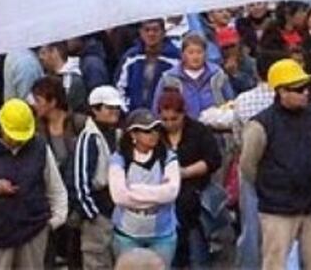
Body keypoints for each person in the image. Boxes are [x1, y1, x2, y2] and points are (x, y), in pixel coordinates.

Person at [0, 98, 69, 268]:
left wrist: (56, 219)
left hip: (34, 230)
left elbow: (55, 186)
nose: (18, 141)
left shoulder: (40, 147)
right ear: (1, 127)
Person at [240, 58, 311, 270]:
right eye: (298, 89)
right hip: (277, 206)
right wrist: (270, 186)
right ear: (281, 92)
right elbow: (248, 166)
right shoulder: (260, 124)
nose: (305, 93)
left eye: (306, 87)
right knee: (275, 262)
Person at [158, 88, 223, 268]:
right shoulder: (155, 133)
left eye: (174, 119)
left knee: (197, 255)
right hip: (165, 204)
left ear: (183, 114)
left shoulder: (199, 131)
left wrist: (185, 172)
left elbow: (213, 160)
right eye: (165, 120)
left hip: (195, 201)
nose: (169, 124)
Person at [109, 108, 181, 265]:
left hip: (162, 234)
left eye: (155, 129)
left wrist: (134, 191)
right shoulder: (119, 159)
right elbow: (118, 196)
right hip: (127, 234)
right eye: (147, 131)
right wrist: (157, 195)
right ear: (133, 134)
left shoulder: (168, 157)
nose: (153, 134)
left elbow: (171, 192)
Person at [232, 49, 282, 269]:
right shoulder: (286, 100)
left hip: (249, 167)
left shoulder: (243, 100)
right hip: (282, 169)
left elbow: (236, 137)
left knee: (251, 227)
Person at [31, 76, 84, 267]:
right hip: (50, 200)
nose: (34, 105)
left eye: (38, 100)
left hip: (76, 198)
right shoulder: (37, 128)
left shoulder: (79, 123)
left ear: (52, 102)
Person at [73, 86, 123, 270]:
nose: (115, 112)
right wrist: (93, 214)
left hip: (117, 208)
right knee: (96, 262)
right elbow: (81, 182)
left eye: (117, 108)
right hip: (98, 210)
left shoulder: (117, 134)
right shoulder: (88, 138)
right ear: (95, 110)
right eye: (109, 108)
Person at [153, 33, 234, 119]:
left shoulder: (218, 74)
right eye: (191, 53)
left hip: (215, 127)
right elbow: (157, 109)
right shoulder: (168, 78)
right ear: (183, 55)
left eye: (199, 52)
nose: (195, 57)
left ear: (205, 54)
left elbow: (230, 103)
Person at [115, 19, 180, 112]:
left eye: (155, 30)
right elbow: (120, 88)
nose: (151, 34)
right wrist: (127, 110)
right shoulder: (131, 57)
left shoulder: (174, 59)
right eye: (147, 30)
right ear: (141, 32)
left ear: (163, 33)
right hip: (132, 115)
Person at [37, 41, 87, 113]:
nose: (40, 57)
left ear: (54, 52)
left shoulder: (73, 80)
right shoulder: (46, 77)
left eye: (43, 53)